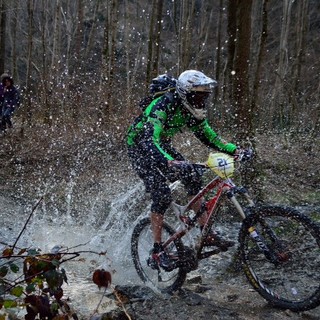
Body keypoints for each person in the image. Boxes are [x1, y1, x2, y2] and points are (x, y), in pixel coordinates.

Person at [127, 70, 238, 270]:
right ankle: (157, 250)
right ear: (184, 93)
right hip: (140, 146)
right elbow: (150, 139)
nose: (201, 100)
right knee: (161, 195)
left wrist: (235, 150)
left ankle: (207, 232)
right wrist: (169, 161)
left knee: (193, 176)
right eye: (197, 95)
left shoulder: (192, 110)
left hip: (159, 144)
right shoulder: (162, 105)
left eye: (204, 96)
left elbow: (209, 137)